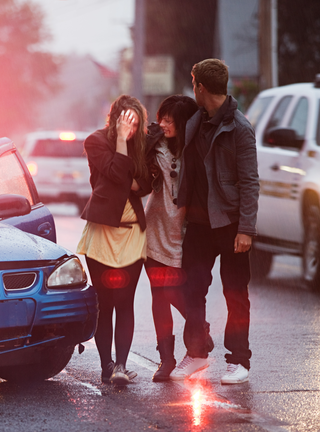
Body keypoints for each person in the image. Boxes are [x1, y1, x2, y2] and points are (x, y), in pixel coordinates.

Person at [169, 59, 260, 385]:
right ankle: (196, 355)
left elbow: (250, 182)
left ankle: (239, 361)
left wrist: (246, 229)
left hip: (230, 224)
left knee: (235, 294)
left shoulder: (239, 128)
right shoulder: (195, 120)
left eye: (193, 83)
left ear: (200, 87)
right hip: (198, 223)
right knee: (192, 289)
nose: (192, 89)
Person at [76, 95, 152, 386]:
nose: (131, 128)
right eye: (126, 121)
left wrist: (128, 176)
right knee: (104, 302)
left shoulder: (142, 147)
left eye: (135, 123)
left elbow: (145, 183)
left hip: (133, 234)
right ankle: (106, 366)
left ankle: (121, 366)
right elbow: (119, 173)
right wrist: (121, 143)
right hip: (102, 232)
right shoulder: (95, 141)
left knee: (125, 301)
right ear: (115, 118)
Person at [143, 95, 214, 382]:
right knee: (159, 294)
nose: (164, 123)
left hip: (185, 233)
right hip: (156, 230)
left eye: (171, 119)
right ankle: (166, 359)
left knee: (180, 292)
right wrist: (150, 138)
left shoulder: (195, 149)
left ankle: (199, 329)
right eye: (162, 117)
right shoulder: (154, 145)